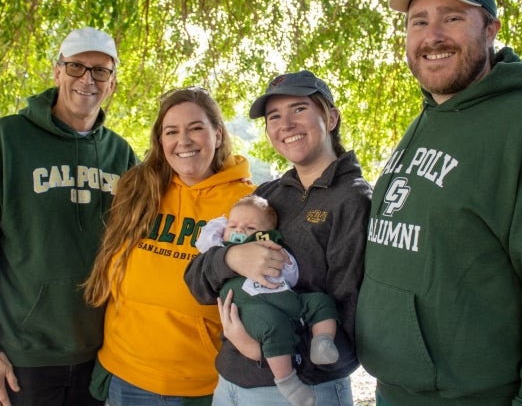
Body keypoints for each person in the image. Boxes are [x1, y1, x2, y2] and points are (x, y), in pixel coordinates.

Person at [355, 0, 522, 405]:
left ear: (490, 29)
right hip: (395, 391)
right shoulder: (425, 120)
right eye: (419, 22)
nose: (432, 36)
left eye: (451, 17)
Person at [0, 27, 138, 406]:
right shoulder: (7, 139)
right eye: (76, 67)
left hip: (104, 353)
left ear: (113, 83)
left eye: (101, 71)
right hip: (24, 356)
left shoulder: (121, 155)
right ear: (57, 72)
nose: (88, 79)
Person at [185, 70, 372, 406]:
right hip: (228, 382)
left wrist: (258, 350)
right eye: (274, 116)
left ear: (330, 117)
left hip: (300, 391)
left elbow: (348, 320)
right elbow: (198, 281)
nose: (285, 124)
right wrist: (230, 258)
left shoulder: (353, 200)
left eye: (298, 109)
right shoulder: (267, 195)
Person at [82, 87, 254, 406]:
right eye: (171, 131)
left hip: (199, 382)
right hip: (123, 371)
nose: (183, 141)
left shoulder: (247, 203)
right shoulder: (139, 189)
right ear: (161, 142)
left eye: (196, 128)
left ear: (217, 134)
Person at [196, 194, 341, 406]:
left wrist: (284, 258)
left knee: (320, 301)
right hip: (252, 307)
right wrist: (222, 227)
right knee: (274, 325)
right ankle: (288, 381)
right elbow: (203, 243)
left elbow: (292, 276)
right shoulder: (220, 246)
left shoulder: (272, 247)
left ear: (267, 233)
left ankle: (322, 342)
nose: (240, 231)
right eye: (233, 225)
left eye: (251, 228)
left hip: (286, 297)